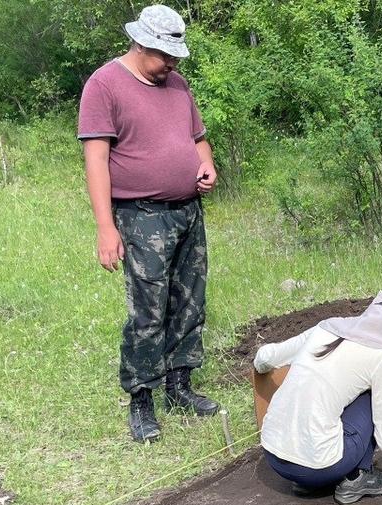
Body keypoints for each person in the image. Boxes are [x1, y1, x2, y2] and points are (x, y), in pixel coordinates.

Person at [78, 4, 219, 443]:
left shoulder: (177, 83)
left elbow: (197, 138)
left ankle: (180, 386)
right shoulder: (104, 85)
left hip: (187, 212)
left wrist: (206, 165)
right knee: (148, 310)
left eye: (176, 55)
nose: (173, 63)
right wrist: (106, 228)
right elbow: (96, 160)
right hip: (141, 217)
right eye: (165, 55)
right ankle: (142, 398)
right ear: (141, 43)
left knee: (190, 301)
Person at [253, 292, 382, 504]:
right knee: (370, 396)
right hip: (318, 467)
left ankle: (309, 482)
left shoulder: (326, 329)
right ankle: (356, 478)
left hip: (273, 455)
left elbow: (265, 357)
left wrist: (261, 368)